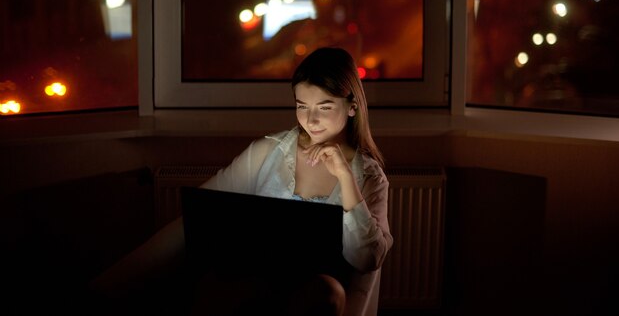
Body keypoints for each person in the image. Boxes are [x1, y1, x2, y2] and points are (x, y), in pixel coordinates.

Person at [90, 47, 393, 316]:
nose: (311, 120)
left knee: (326, 292)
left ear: (352, 107)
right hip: (254, 279)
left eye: (324, 107)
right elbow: (198, 217)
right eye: (302, 106)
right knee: (216, 285)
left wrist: (343, 174)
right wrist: (116, 278)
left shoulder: (368, 176)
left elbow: (368, 257)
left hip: (317, 292)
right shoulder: (268, 152)